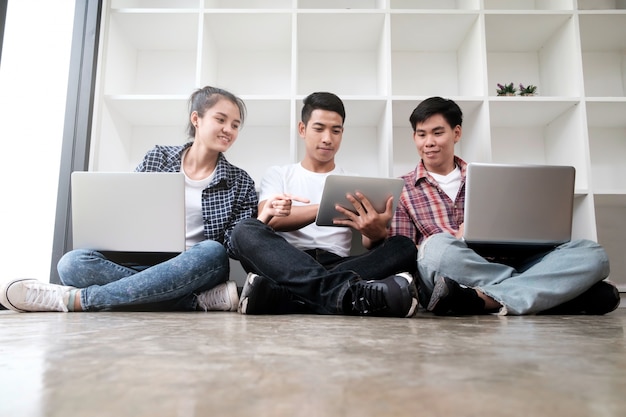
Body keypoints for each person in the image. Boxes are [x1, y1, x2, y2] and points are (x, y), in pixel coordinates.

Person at [0, 86, 297, 313]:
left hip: (196, 265)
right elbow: (129, 212)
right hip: (142, 262)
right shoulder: (157, 157)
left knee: (211, 251)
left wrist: (260, 220)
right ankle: (191, 302)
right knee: (72, 263)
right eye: (221, 119)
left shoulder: (240, 180)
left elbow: (232, 246)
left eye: (235, 124)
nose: (229, 130)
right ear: (196, 119)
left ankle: (77, 300)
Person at [380, 96, 620, 316]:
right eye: (421, 134)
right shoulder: (402, 188)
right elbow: (406, 252)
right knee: (435, 249)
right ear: (414, 138)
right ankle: (547, 290)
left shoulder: (491, 178)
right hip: (452, 270)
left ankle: (484, 299)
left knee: (594, 254)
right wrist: (456, 238)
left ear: (456, 133)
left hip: (508, 261)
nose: (429, 142)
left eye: (437, 132)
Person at [229, 91, 419, 318]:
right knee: (244, 230)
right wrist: (323, 208)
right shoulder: (279, 174)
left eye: (335, 130)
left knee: (404, 247)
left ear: (342, 133)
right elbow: (272, 221)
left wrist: (375, 231)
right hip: (286, 260)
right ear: (302, 129)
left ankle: (287, 296)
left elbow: (370, 243)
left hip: (337, 264)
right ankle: (348, 295)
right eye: (319, 129)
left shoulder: (355, 181)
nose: (327, 138)